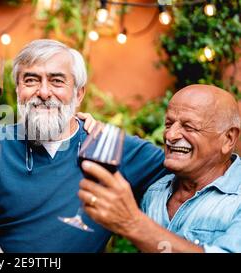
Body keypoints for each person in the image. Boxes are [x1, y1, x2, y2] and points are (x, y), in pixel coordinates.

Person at [0, 39, 169, 252]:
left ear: (79, 94)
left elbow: (188, 171)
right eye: (31, 80)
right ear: (19, 89)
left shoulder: (110, 146)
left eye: (57, 81)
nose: (44, 92)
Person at [79, 84, 241, 253]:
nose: (170, 136)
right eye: (169, 124)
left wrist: (134, 225)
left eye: (189, 127)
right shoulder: (155, 189)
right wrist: (79, 128)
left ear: (228, 139)